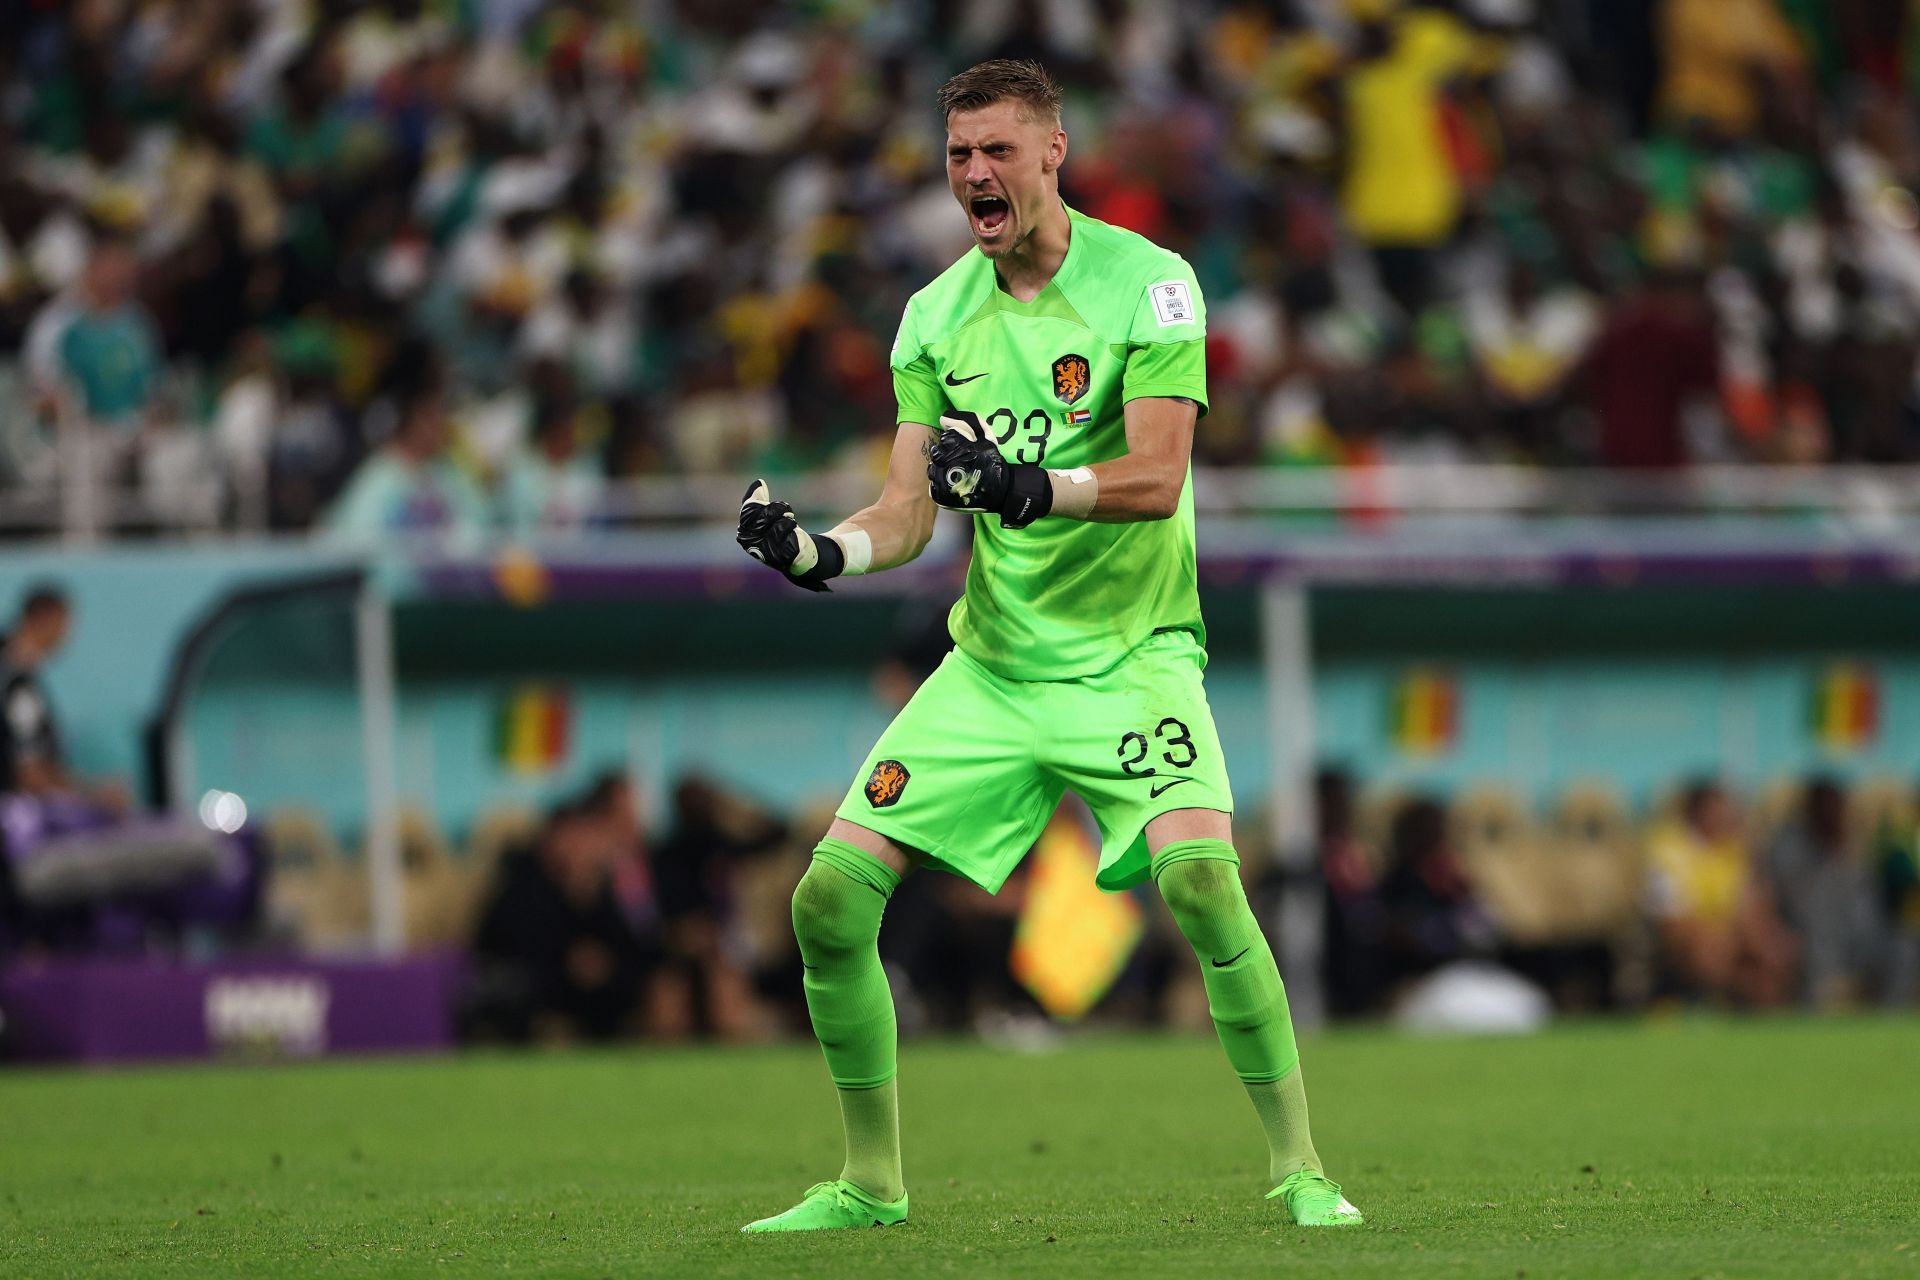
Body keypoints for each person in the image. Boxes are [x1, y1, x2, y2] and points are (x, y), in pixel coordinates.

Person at [732, 60, 1360, 1233]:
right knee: (827, 900)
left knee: (1204, 881)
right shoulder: (932, 317)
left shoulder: (1153, 286)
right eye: (961, 153)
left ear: (1054, 152)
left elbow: (1157, 474)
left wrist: (1028, 482)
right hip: (996, 668)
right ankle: (870, 1182)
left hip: (1133, 657)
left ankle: (1300, 1163)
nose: (976, 172)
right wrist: (821, 553)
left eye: (999, 151)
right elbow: (909, 509)